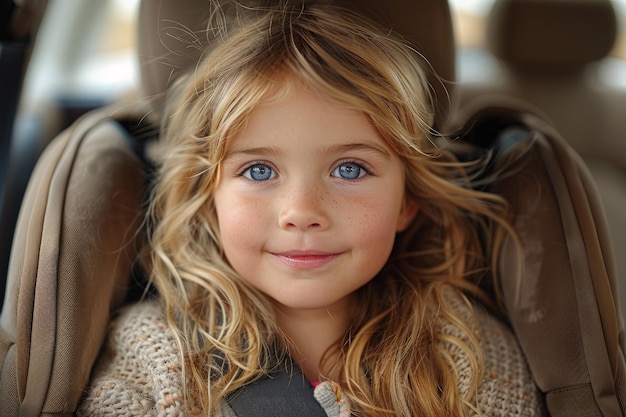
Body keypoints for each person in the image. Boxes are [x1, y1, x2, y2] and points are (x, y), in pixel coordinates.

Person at [78, 4, 543, 416]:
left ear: (408, 201)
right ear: (208, 198)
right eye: (259, 171)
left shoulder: (470, 354)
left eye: (350, 169)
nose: (301, 212)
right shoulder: (150, 357)